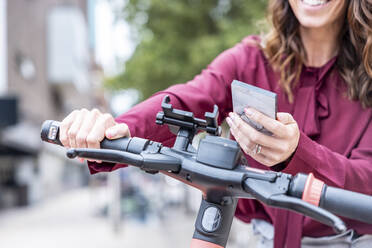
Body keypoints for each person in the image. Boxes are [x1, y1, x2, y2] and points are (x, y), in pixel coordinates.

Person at [59, 0, 372, 247]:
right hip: (263, 239)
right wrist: (114, 129)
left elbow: (366, 179)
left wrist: (297, 153)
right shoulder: (250, 59)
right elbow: (187, 98)